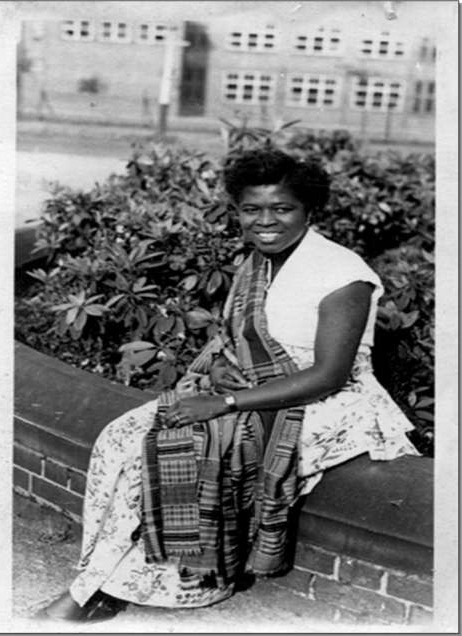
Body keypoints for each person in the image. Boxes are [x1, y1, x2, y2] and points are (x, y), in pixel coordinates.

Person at [38, 149, 419, 623]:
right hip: (249, 385)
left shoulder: (343, 275)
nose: (265, 221)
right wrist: (219, 370)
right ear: (237, 210)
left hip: (329, 403)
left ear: (308, 211)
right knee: (120, 437)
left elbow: (329, 376)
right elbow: (233, 341)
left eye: (282, 209)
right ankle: (99, 578)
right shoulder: (257, 264)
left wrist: (223, 402)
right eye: (251, 209)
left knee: (180, 449)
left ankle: (129, 590)